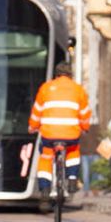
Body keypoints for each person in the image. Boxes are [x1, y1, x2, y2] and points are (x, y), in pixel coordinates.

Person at [28, 62, 91, 195]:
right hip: (70, 134)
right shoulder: (78, 89)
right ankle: (72, 179)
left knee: (45, 156)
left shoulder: (46, 87)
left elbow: (37, 111)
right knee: (73, 149)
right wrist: (85, 127)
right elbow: (84, 113)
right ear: (70, 75)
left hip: (49, 134)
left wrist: (33, 127)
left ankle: (45, 190)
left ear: (56, 74)